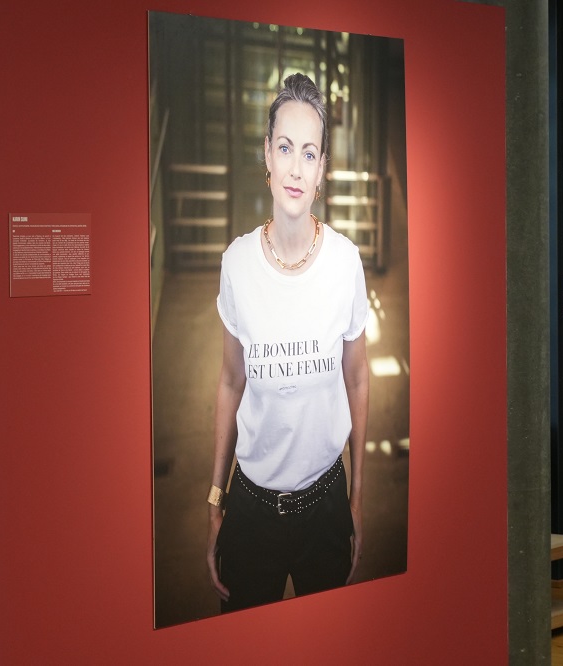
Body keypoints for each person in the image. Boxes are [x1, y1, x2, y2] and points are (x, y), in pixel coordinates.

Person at [205, 72, 370, 612]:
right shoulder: (236, 264)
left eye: (309, 153)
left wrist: (358, 495)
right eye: (284, 148)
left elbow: (359, 377)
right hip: (251, 506)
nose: (296, 167)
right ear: (267, 159)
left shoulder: (345, 263)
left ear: (321, 169)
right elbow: (231, 380)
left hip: (326, 504)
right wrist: (215, 498)